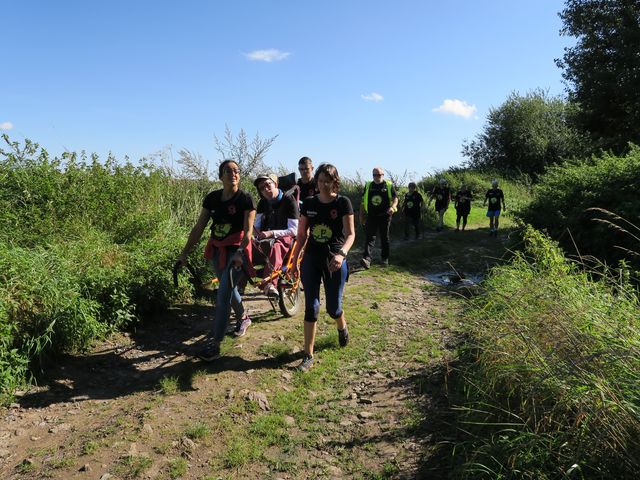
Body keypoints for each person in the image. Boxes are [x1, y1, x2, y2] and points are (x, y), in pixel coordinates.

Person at [177, 160, 256, 360]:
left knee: (222, 298)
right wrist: (185, 252)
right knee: (226, 288)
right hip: (217, 249)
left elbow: (248, 232)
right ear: (220, 176)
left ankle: (215, 345)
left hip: (237, 252)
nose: (233, 174)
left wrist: (240, 252)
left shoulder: (246, 199)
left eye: (236, 170)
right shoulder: (212, 198)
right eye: (228, 171)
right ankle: (244, 318)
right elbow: (199, 227)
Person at [290, 163, 355, 372]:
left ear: (334, 181)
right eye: (320, 180)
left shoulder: (343, 202)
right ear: (316, 181)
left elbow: (351, 234)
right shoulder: (308, 203)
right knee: (312, 307)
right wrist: (293, 262)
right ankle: (308, 354)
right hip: (311, 258)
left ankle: (342, 326)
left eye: (327, 180)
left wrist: (342, 254)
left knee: (333, 308)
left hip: (334, 259)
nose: (323, 184)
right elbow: (301, 235)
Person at [253, 172, 300, 297]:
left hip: (286, 239)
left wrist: (271, 233)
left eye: (268, 184)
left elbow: (293, 230)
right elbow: (257, 226)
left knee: (277, 245)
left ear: (275, 184)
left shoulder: (289, 200)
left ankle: (270, 284)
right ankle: (237, 283)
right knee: (246, 245)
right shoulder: (262, 203)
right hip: (266, 239)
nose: (265, 189)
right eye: (261, 188)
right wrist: (256, 235)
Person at [359, 167, 398, 268]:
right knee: (369, 237)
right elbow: (363, 202)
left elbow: (395, 198)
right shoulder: (368, 185)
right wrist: (361, 215)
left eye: (379, 175)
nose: (377, 177)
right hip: (371, 216)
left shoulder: (388, 185)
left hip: (385, 216)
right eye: (375, 175)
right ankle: (367, 259)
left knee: (384, 238)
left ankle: (384, 259)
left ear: (383, 175)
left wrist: (393, 207)